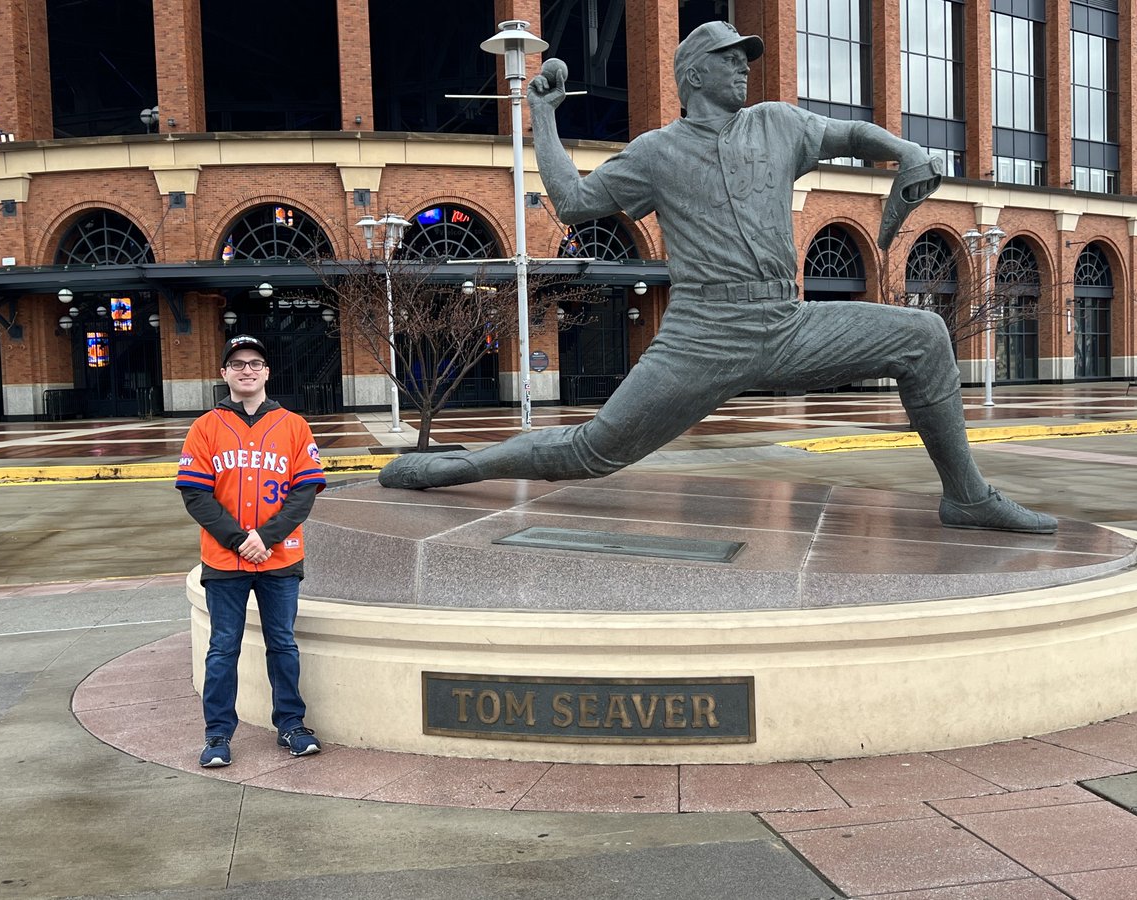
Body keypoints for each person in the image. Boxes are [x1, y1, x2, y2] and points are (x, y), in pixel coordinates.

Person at [379, 21, 1055, 535]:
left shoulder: (777, 123)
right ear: (694, 75)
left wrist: (904, 149)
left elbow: (849, 135)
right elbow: (575, 202)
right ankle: (456, 466)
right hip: (701, 334)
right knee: (593, 451)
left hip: (785, 324)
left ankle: (966, 497)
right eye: (730, 60)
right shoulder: (657, 152)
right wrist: (545, 117)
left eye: (745, 59)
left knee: (925, 335)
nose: (743, 69)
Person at [177, 335, 327, 767]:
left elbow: (304, 493)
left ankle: (292, 725)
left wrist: (268, 536)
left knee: (282, 644)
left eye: (255, 363)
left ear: (266, 372)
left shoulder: (294, 425)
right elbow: (195, 495)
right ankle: (217, 735)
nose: (247, 370)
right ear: (224, 372)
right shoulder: (205, 427)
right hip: (226, 559)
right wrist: (240, 539)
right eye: (237, 363)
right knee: (224, 647)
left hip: (279, 556)